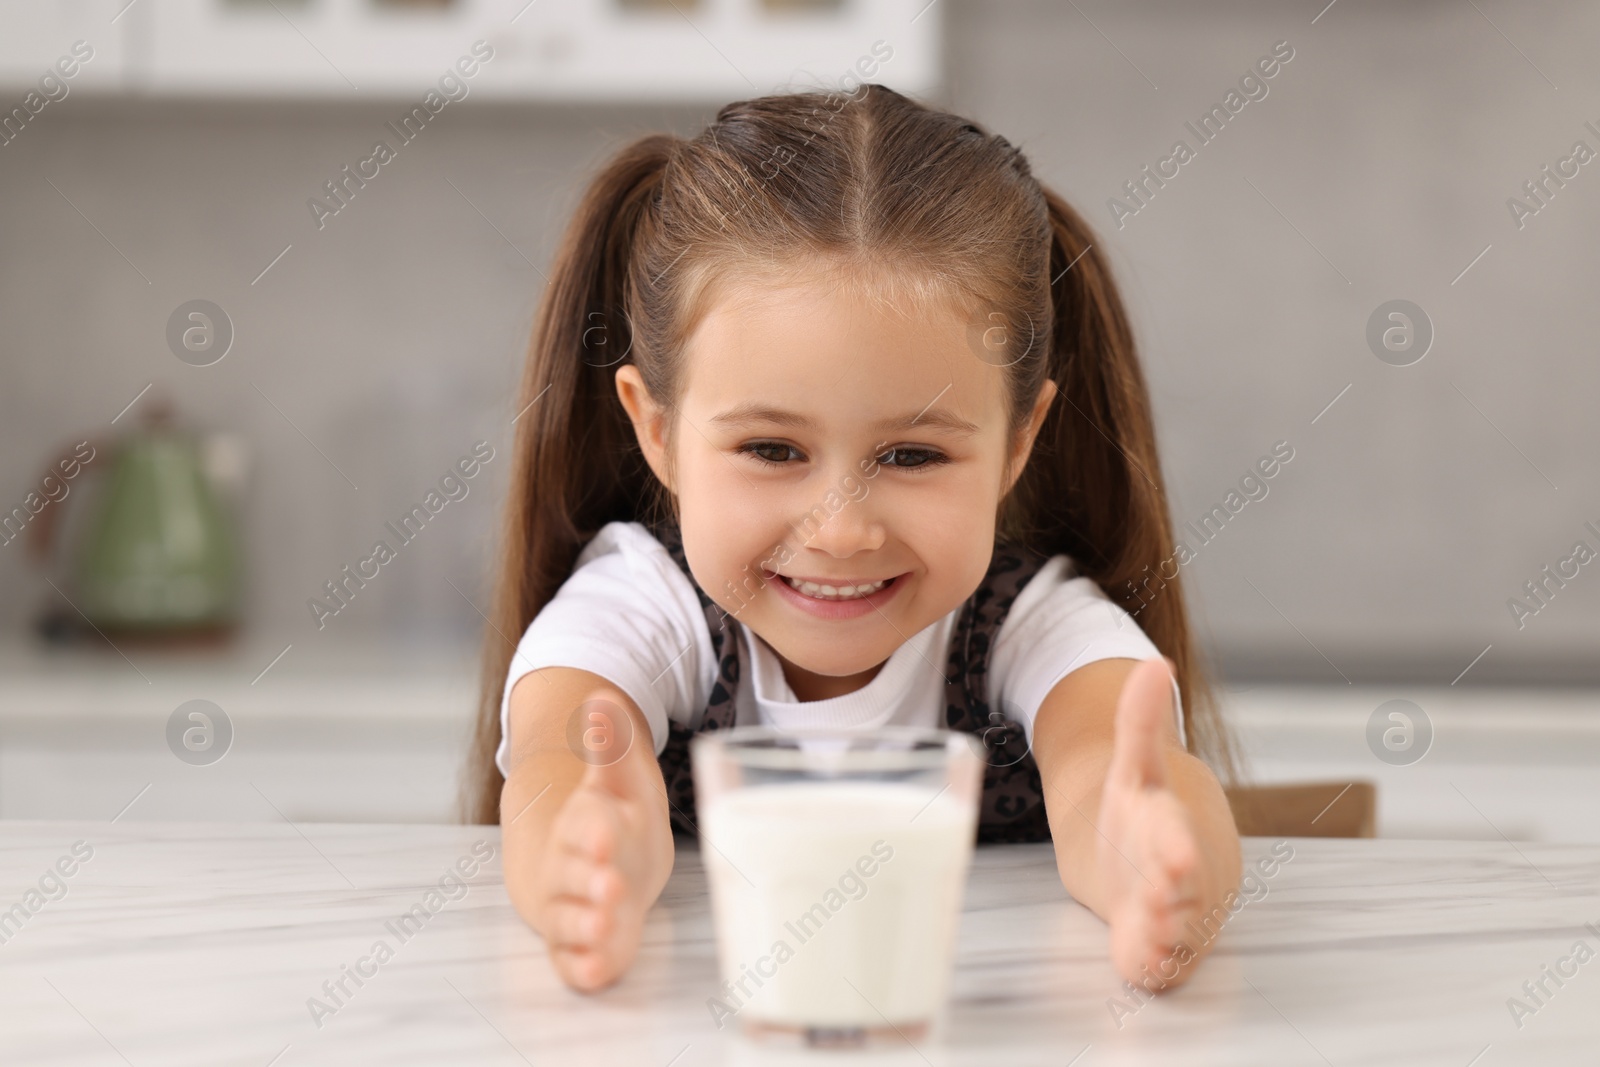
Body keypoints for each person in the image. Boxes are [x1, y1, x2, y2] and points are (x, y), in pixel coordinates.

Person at [469, 84, 1243, 996]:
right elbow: (564, 764)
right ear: (659, 430)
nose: (840, 529)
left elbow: (1107, 769)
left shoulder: (1030, 622)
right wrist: (590, 852)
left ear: (1017, 442)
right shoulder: (640, 601)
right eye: (771, 449)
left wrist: (1153, 860)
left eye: (912, 454)